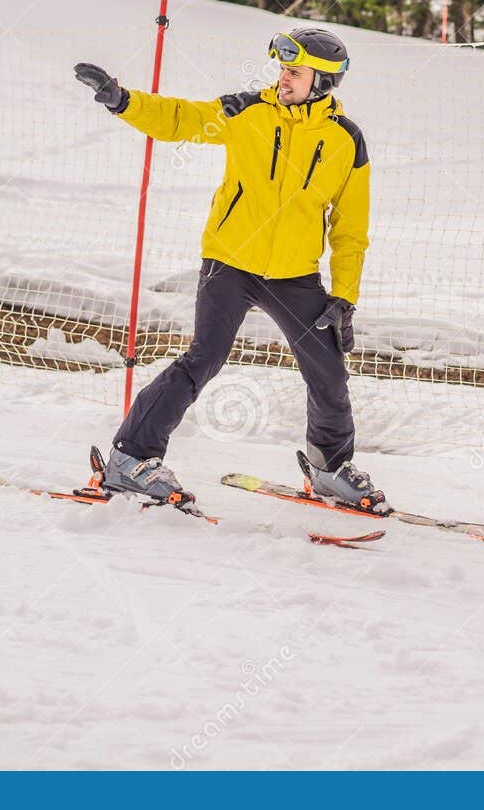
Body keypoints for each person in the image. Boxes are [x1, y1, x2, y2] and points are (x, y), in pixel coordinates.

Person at [72, 26, 388, 514]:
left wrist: (345, 295)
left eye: (294, 71)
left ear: (323, 81)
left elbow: (351, 228)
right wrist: (123, 101)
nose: (283, 77)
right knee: (204, 358)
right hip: (230, 262)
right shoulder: (247, 111)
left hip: (294, 275)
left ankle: (330, 469)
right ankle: (130, 458)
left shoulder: (347, 140)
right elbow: (182, 119)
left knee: (327, 371)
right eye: (282, 68)